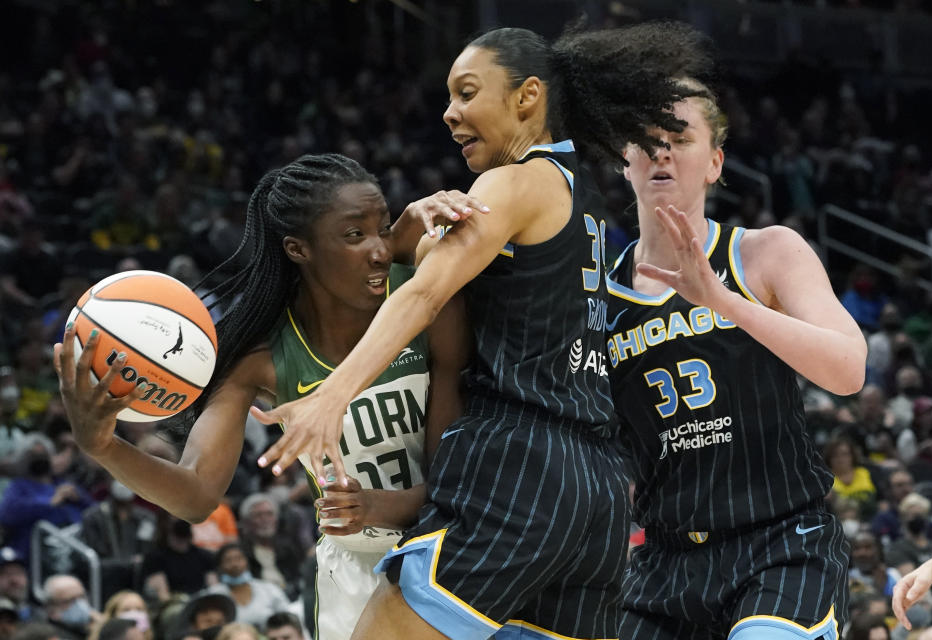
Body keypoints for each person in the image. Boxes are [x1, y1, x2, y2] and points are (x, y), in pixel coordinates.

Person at [253, 22, 709, 640]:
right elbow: (413, 263)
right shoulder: (589, 205)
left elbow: (423, 290)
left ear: (527, 98)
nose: (449, 113)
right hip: (596, 495)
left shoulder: (513, 180)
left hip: (516, 466)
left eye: (466, 93)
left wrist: (334, 395)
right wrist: (413, 223)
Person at [54, 153, 469, 640]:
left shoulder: (428, 302)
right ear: (298, 249)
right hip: (357, 564)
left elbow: (456, 480)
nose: (379, 250)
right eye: (355, 235)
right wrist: (102, 445)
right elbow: (195, 496)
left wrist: (380, 506)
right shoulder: (264, 355)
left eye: (383, 228)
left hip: (450, 541)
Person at [606, 71, 865, 638]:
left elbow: (848, 370)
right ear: (625, 159)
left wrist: (724, 301)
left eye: (678, 137)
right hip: (664, 562)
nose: (661, 151)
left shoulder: (767, 252)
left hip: (781, 544)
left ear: (716, 162)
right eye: (645, 139)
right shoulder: (595, 297)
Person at [208, 544, 288, 630]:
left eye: (239, 559)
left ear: (247, 562)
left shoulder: (269, 589)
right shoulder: (214, 595)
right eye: (228, 560)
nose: (234, 564)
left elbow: (287, 618)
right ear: (220, 566)